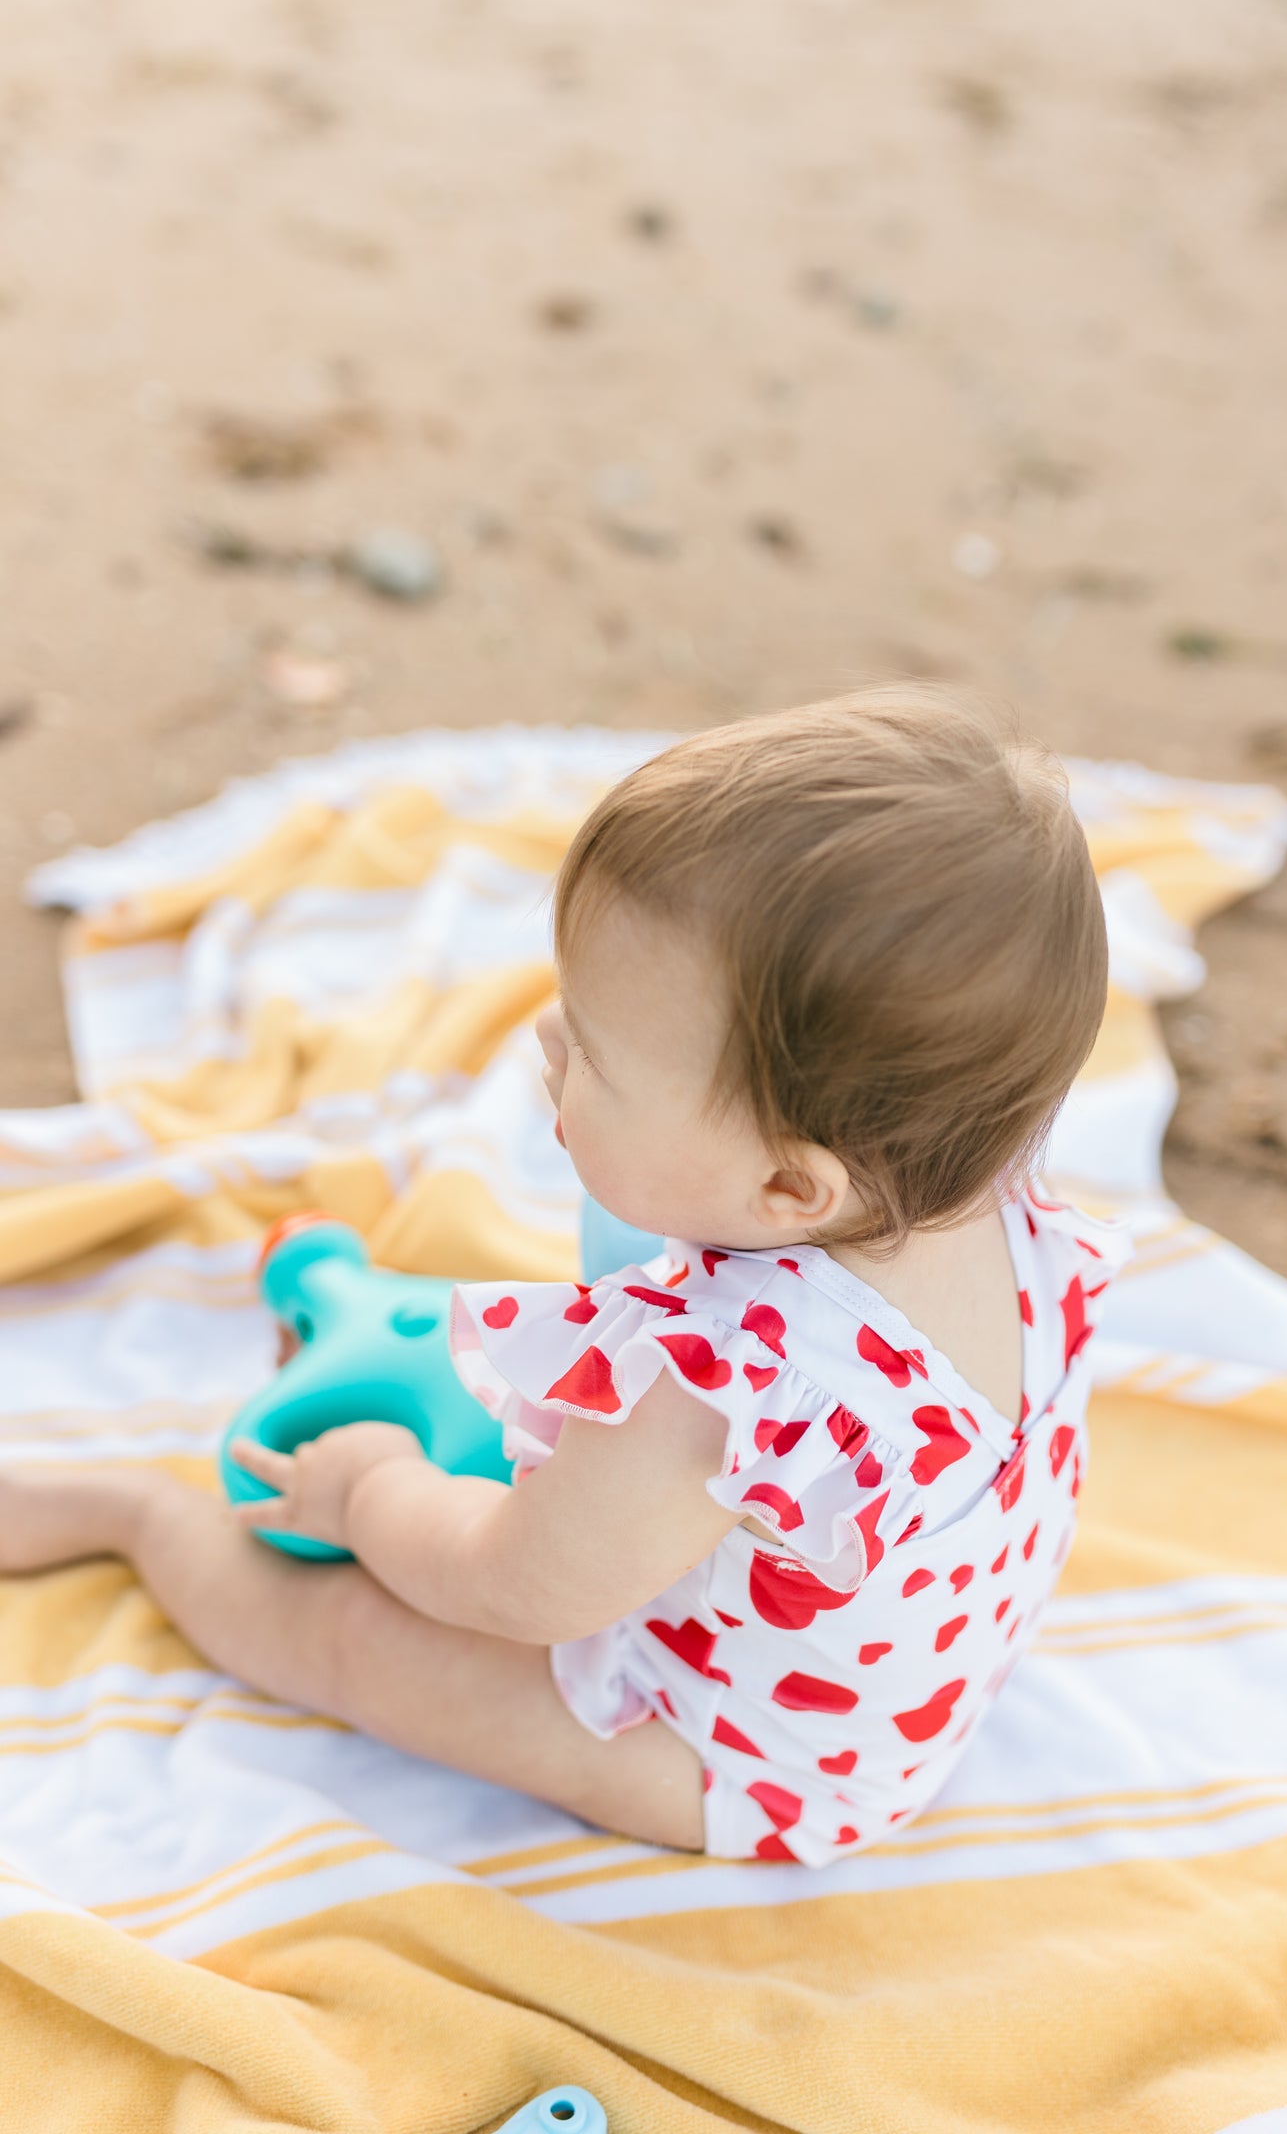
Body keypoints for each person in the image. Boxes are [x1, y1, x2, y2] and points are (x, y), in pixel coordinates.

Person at [0, 689, 1128, 1866]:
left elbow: (513, 1586)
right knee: (595, 1485)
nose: (542, 1036)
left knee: (354, 1640)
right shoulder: (995, 1210)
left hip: (745, 1765)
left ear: (788, 1188)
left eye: (593, 1047)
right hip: (898, 1681)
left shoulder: (714, 1386)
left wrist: (368, 1491)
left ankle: (128, 1517)